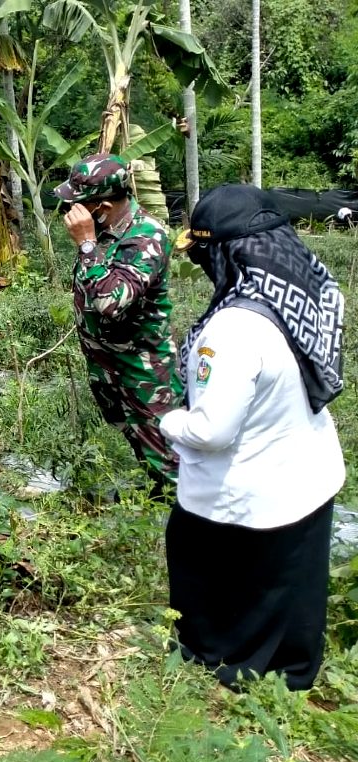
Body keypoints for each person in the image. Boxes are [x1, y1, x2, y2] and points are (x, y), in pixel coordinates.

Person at [160, 183, 345, 691]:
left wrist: (168, 422)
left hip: (249, 497)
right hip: (309, 479)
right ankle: (294, 667)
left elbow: (212, 431)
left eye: (202, 253)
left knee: (202, 562)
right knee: (293, 585)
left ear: (225, 252)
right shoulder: (314, 290)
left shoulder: (233, 330)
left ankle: (227, 663)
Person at [56, 153, 182, 491]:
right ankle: (154, 500)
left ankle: (182, 515)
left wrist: (85, 244)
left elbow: (111, 302)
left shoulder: (145, 238)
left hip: (141, 367)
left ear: (102, 206)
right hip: (106, 361)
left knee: (166, 451)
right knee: (132, 433)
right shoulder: (104, 233)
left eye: (78, 205)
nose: (71, 213)